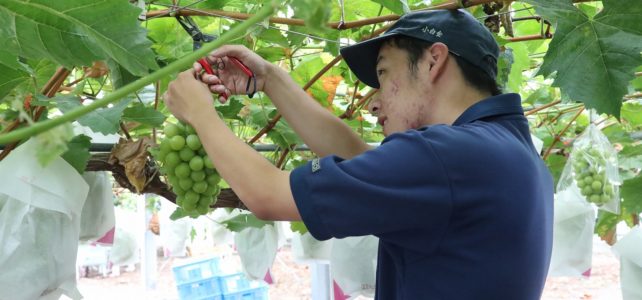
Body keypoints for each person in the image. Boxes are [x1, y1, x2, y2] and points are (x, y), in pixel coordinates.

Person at [163, 9, 554, 300]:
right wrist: (271, 80)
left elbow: (268, 195)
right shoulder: (504, 149)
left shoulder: (447, 156)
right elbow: (360, 159)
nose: (373, 103)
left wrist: (200, 114)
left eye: (383, 74)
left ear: (434, 60)